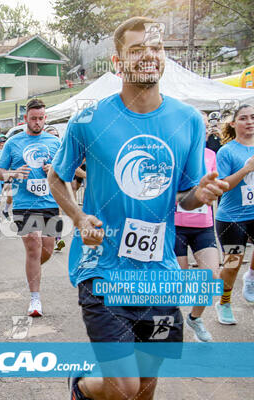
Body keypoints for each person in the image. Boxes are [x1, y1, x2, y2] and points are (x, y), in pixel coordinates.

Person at [48, 17, 228, 400]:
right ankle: (81, 385)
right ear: (118, 62)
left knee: (146, 383)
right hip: (102, 267)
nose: (149, 55)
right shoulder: (89, 119)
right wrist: (78, 217)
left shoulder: (189, 121)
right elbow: (57, 177)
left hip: (158, 271)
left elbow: (185, 198)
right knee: (123, 386)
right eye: (137, 49)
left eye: (156, 48)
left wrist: (203, 192)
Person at [0, 98, 62, 317]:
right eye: (33, 118)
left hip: (50, 203)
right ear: (25, 119)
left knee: (47, 250)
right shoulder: (13, 142)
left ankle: (32, 268)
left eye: (41, 118)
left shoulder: (54, 142)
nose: (37, 122)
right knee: (33, 244)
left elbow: (64, 170)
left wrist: (54, 169)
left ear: (45, 118)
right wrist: (13, 174)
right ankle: (35, 299)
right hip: (24, 203)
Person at [173, 112, 220, 341]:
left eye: (202, 127)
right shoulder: (174, 154)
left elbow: (218, 185)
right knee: (177, 283)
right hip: (176, 226)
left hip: (203, 225)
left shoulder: (211, 155)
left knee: (210, 276)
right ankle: (171, 322)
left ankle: (194, 318)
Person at [214, 104, 254, 324]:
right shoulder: (227, 151)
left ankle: (251, 278)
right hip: (232, 218)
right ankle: (225, 303)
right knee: (232, 265)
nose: (249, 122)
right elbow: (223, 185)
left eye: (253, 117)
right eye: (244, 118)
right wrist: (246, 169)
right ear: (233, 123)